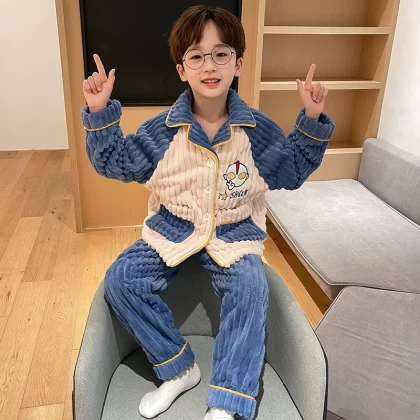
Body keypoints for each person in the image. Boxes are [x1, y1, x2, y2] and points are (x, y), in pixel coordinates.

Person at [81, 5, 335, 420]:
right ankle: (178, 369)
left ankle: (228, 401)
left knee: (252, 286)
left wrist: (310, 117)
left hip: (234, 233)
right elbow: (117, 161)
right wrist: (99, 111)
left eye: (221, 54)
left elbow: (291, 170)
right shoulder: (163, 132)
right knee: (121, 279)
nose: (210, 66)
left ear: (238, 62)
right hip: (173, 228)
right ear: (182, 69)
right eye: (196, 56)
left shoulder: (256, 132)